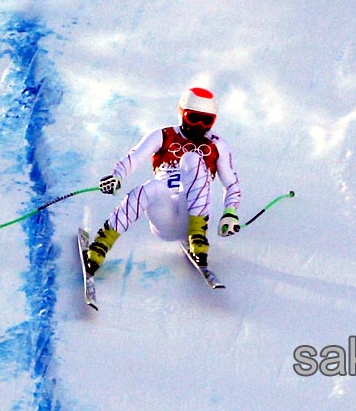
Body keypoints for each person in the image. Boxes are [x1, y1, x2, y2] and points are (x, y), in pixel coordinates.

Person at [84, 87, 242, 275]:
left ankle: (197, 238)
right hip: (163, 218)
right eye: (193, 118)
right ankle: (101, 245)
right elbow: (134, 157)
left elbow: (232, 184)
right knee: (151, 187)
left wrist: (230, 212)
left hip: (191, 217)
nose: (199, 125)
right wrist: (117, 177)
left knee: (192, 159)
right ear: (181, 113)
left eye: (206, 120)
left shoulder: (216, 145)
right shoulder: (163, 135)